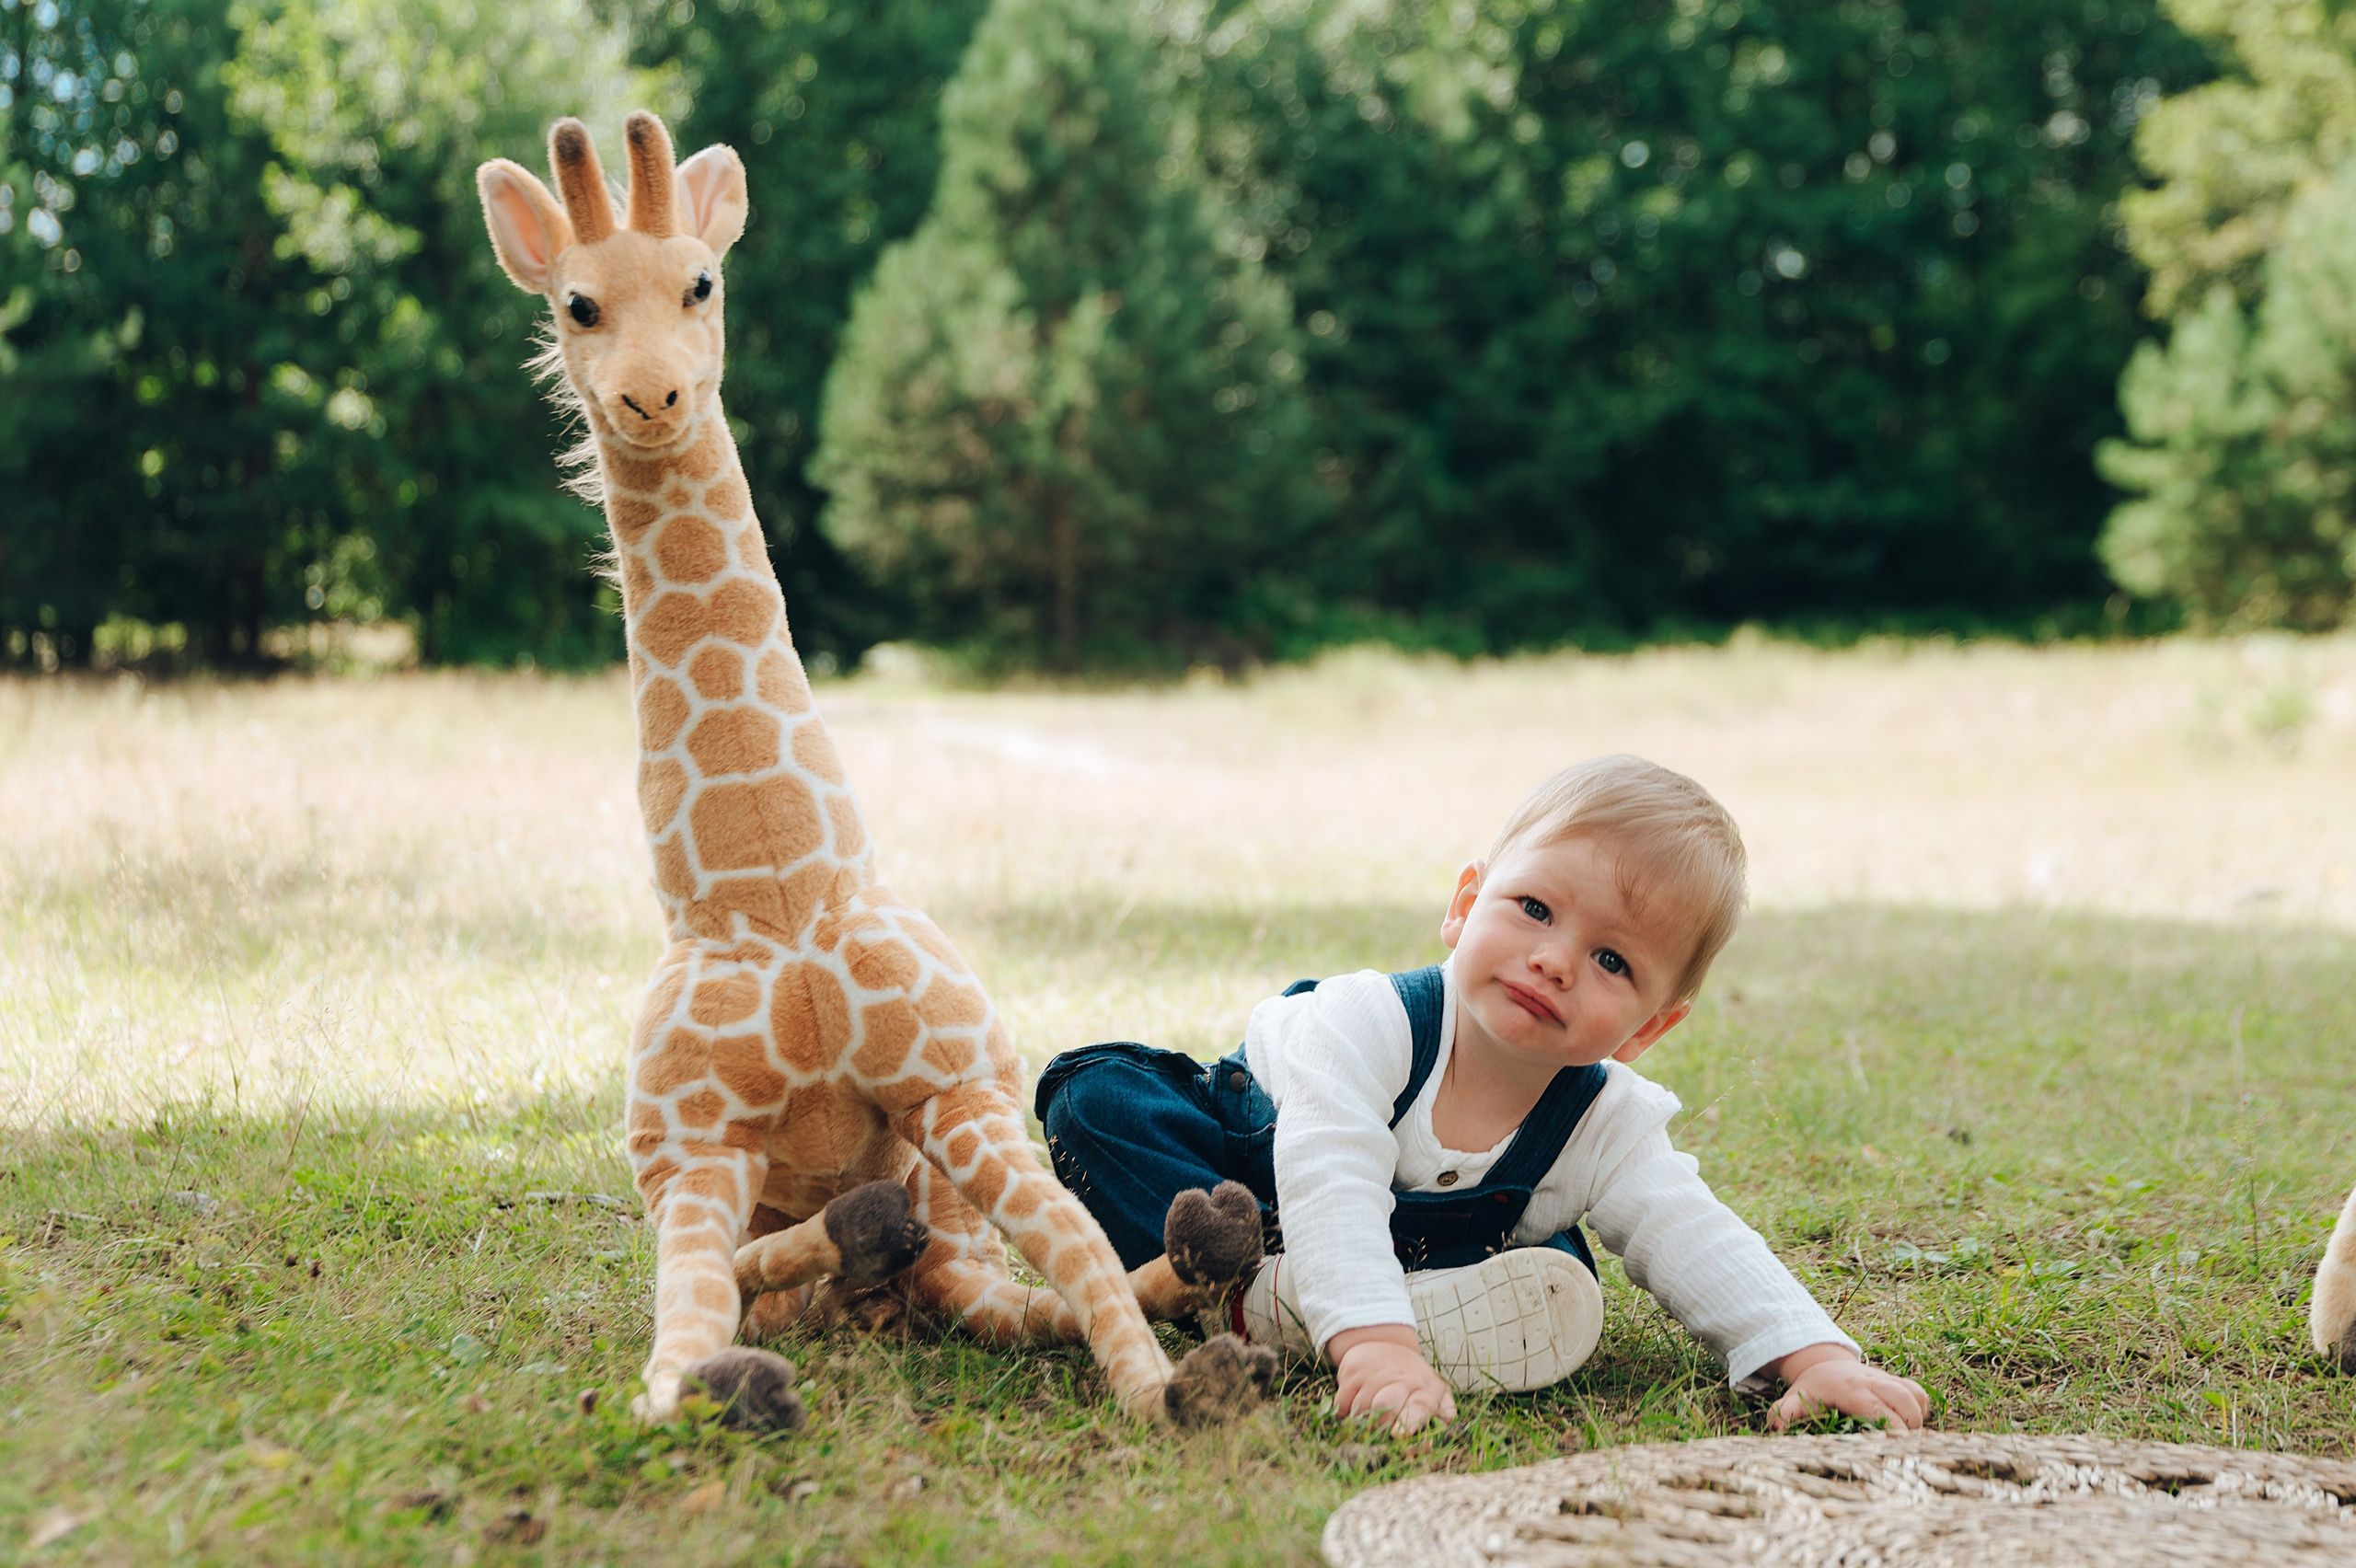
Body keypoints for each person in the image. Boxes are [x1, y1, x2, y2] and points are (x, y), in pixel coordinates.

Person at [1035, 755, 1931, 1436]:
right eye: (1534, 909)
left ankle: (1293, 1305)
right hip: (1250, 1169)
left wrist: (1810, 1354)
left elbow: (1691, 1230)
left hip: (1402, 1239)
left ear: (1648, 1028)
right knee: (1100, 1098)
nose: (1554, 958)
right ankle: (1251, 1290)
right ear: (1465, 903)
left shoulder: (1604, 1122)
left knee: (1562, 1272)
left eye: (1611, 961)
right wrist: (1378, 1349)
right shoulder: (1369, 1020)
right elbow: (1330, 1172)